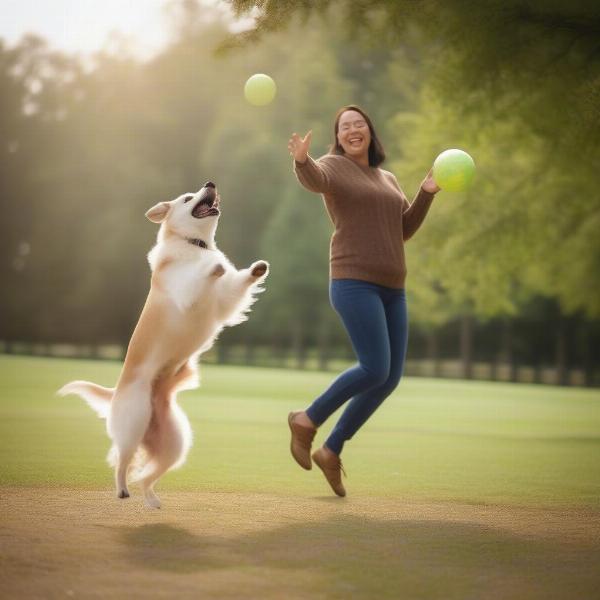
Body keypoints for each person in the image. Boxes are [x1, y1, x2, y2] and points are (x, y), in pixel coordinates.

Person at [287, 105, 440, 497]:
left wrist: (425, 193)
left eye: (360, 124)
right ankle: (306, 420)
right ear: (337, 138)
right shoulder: (332, 167)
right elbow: (315, 180)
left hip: (393, 286)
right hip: (354, 280)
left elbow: (402, 228)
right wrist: (302, 161)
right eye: (345, 127)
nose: (353, 130)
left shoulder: (387, 178)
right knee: (374, 367)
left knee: (388, 378)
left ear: (370, 131)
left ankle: (332, 449)